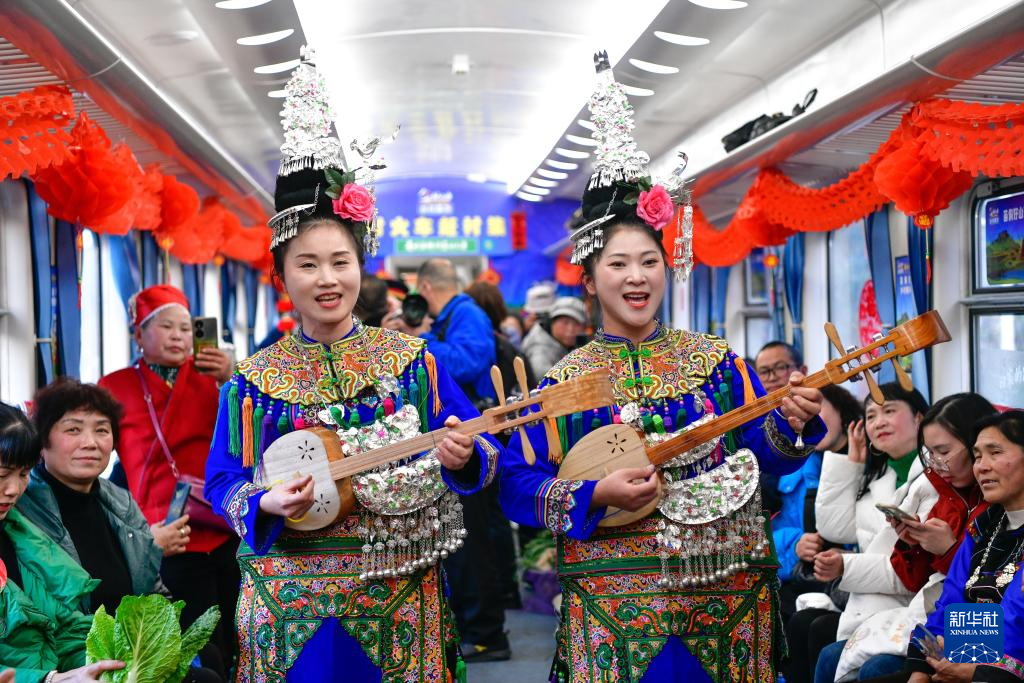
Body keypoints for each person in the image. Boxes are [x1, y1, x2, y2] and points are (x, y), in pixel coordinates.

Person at [498, 54, 825, 682]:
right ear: (589, 279)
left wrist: (790, 424)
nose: (636, 277)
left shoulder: (718, 364)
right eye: (618, 264)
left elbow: (766, 459)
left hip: (724, 593)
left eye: (648, 261)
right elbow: (516, 485)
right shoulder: (562, 384)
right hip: (614, 602)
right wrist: (595, 493)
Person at [203, 53, 500, 682]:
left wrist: (462, 456)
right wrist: (263, 499)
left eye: (340, 260)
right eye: (307, 264)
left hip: (398, 595)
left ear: (361, 267)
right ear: (282, 276)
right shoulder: (251, 381)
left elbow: (482, 447)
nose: (327, 278)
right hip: (287, 603)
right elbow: (223, 481)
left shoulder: (415, 363)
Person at [98, 284, 239, 660]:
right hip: (162, 532)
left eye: (184, 327)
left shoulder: (214, 378)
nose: (178, 335)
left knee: (238, 633)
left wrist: (235, 376)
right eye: (165, 326)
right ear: (137, 334)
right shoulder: (114, 387)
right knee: (190, 645)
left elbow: (251, 432)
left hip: (223, 522)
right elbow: (95, 453)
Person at [823, 392, 997, 682]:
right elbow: (930, 586)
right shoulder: (949, 496)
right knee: (834, 655)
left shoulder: (997, 510)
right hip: (946, 622)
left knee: (872, 668)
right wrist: (912, 545)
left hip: (980, 632)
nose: (984, 466)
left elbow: (989, 596)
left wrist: (948, 550)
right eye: (931, 454)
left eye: (996, 454)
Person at [800, 383, 930, 683]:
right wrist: (849, 466)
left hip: (905, 607)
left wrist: (846, 565)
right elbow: (834, 528)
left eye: (889, 411)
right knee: (820, 640)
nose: (878, 422)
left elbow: (910, 571)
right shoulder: (880, 474)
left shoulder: (932, 479)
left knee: (846, 656)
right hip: (877, 606)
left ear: (919, 418)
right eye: (870, 415)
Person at [15, 379, 164, 615]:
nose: (90, 443)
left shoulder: (122, 503)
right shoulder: (19, 506)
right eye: (73, 429)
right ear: (42, 441)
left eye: (102, 430)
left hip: (130, 645)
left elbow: (154, 593)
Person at [0, 402, 125, 682]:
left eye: (23, 475)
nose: (14, 489)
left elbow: (67, 628)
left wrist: (106, 662)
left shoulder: (23, 537)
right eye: (2, 475)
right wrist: (51, 679)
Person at [902, 410, 1024, 683]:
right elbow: (949, 604)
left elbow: (1014, 623)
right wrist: (921, 670)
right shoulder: (982, 528)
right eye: (978, 456)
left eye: (995, 452)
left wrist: (968, 663)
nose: (981, 466)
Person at [775, 385, 862, 617]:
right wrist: (795, 545)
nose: (810, 421)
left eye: (818, 410)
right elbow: (765, 534)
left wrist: (851, 556)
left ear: (842, 410)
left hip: (854, 577)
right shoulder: (791, 468)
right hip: (805, 576)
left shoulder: (871, 459)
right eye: (803, 415)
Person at [521, 296, 587, 378]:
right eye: (565, 322)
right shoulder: (539, 347)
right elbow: (545, 379)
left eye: (577, 324)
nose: (571, 329)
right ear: (552, 322)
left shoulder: (567, 342)